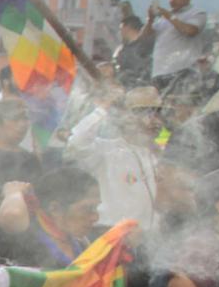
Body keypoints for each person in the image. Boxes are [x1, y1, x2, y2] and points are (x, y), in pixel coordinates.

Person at [64, 86, 165, 231]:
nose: (154, 121)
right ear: (128, 117)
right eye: (146, 113)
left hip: (148, 239)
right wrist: (103, 109)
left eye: (158, 113)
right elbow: (76, 142)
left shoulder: (157, 156)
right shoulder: (105, 150)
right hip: (112, 235)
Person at [148, 0, 207, 97]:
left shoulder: (197, 13)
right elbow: (144, 38)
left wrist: (169, 16)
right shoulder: (162, 19)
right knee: (159, 109)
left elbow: (190, 31)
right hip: (159, 72)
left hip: (182, 70)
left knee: (180, 106)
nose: (172, 0)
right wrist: (150, 20)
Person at [115, 14, 155, 88]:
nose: (120, 32)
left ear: (126, 28)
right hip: (125, 88)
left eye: (121, 29)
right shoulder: (123, 49)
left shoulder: (145, 43)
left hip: (142, 86)